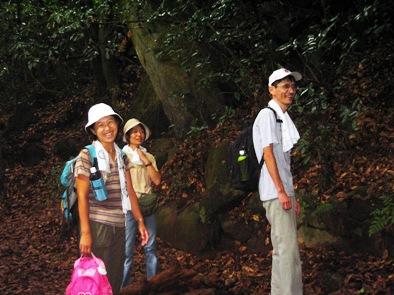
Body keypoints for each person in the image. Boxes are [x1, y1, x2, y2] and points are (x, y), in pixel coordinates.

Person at [75, 103, 149, 294]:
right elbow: (82, 196)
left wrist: (140, 221)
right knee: (97, 278)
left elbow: (130, 191)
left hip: (120, 223)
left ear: (117, 123)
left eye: (110, 122)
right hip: (98, 224)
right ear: (93, 130)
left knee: (114, 277)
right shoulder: (87, 155)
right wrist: (85, 233)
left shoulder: (121, 155)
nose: (107, 128)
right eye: (100, 125)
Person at [252, 68, 303, 295]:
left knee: (282, 251)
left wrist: (291, 194)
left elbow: (284, 165)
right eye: (285, 86)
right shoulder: (267, 115)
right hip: (275, 193)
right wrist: (282, 192)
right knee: (288, 252)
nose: (290, 91)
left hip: (281, 192)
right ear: (271, 90)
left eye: (292, 86)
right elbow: (268, 154)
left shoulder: (282, 117)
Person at [121, 118, 161, 287]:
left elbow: (157, 181)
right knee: (127, 250)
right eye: (134, 131)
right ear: (127, 136)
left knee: (150, 247)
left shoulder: (149, 156)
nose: (139, 134)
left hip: (147, 205)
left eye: (141, 131)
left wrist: (145, 160)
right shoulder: (122, 157)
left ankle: (154, 283)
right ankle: (123, 286)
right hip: (130, 207)